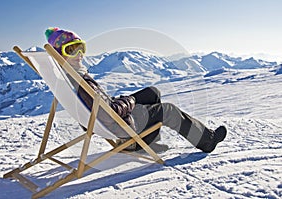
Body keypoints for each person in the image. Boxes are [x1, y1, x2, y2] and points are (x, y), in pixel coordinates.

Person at [45, 27, 227, 153]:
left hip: (106, 118)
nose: (79, 55)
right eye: (71, 50)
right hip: (118, 124)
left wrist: (118, 101)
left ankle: (147, 143)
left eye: (80, 48)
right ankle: (207, 141)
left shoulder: (66, 76)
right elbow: (111, 112)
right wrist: (128, 101)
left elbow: (100, 106)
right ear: (60, 54)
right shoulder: (80, 80)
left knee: (152, 93)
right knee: (168, 110)